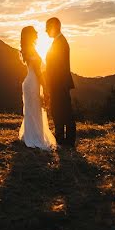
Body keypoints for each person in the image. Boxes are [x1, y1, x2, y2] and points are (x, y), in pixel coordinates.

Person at [17, 26, 58, 150]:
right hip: (33, 82)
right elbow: (38, 72)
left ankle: (31, 135)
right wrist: (44, 87)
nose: (36, 33)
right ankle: (35, 137)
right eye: (34, 31)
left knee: (32, 110)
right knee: (35, 109)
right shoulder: (30, 50)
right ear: (30, 35)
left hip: (29, 82)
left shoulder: (27, 49)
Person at [44, 17, 76, 149]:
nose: (46, 31)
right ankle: (62, 140)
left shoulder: (60, 43)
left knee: (63, 112)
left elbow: (60, 67)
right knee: (59, 112)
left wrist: (55, 85)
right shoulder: (58, 42)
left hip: (59, 84)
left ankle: (66, 142)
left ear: (54, 26)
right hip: (58, 84)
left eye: (47, 27)